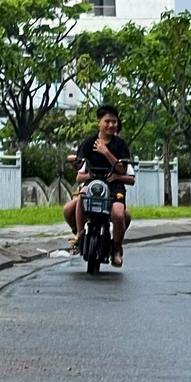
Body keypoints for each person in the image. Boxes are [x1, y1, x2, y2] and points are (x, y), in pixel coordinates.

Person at [64, 105, 132, 265]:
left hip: (114, 186)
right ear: (99, 122)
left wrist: (105, 152)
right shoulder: (88, 143)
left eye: (114, 122)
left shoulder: (120, 145)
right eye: (107, 121)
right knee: (82, 195)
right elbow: (80, 167)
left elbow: (122, 168)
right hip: (93, 184)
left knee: (118, 213)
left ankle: (116, 249)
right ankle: (80, 235)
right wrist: (74, 162)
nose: (110, 125)